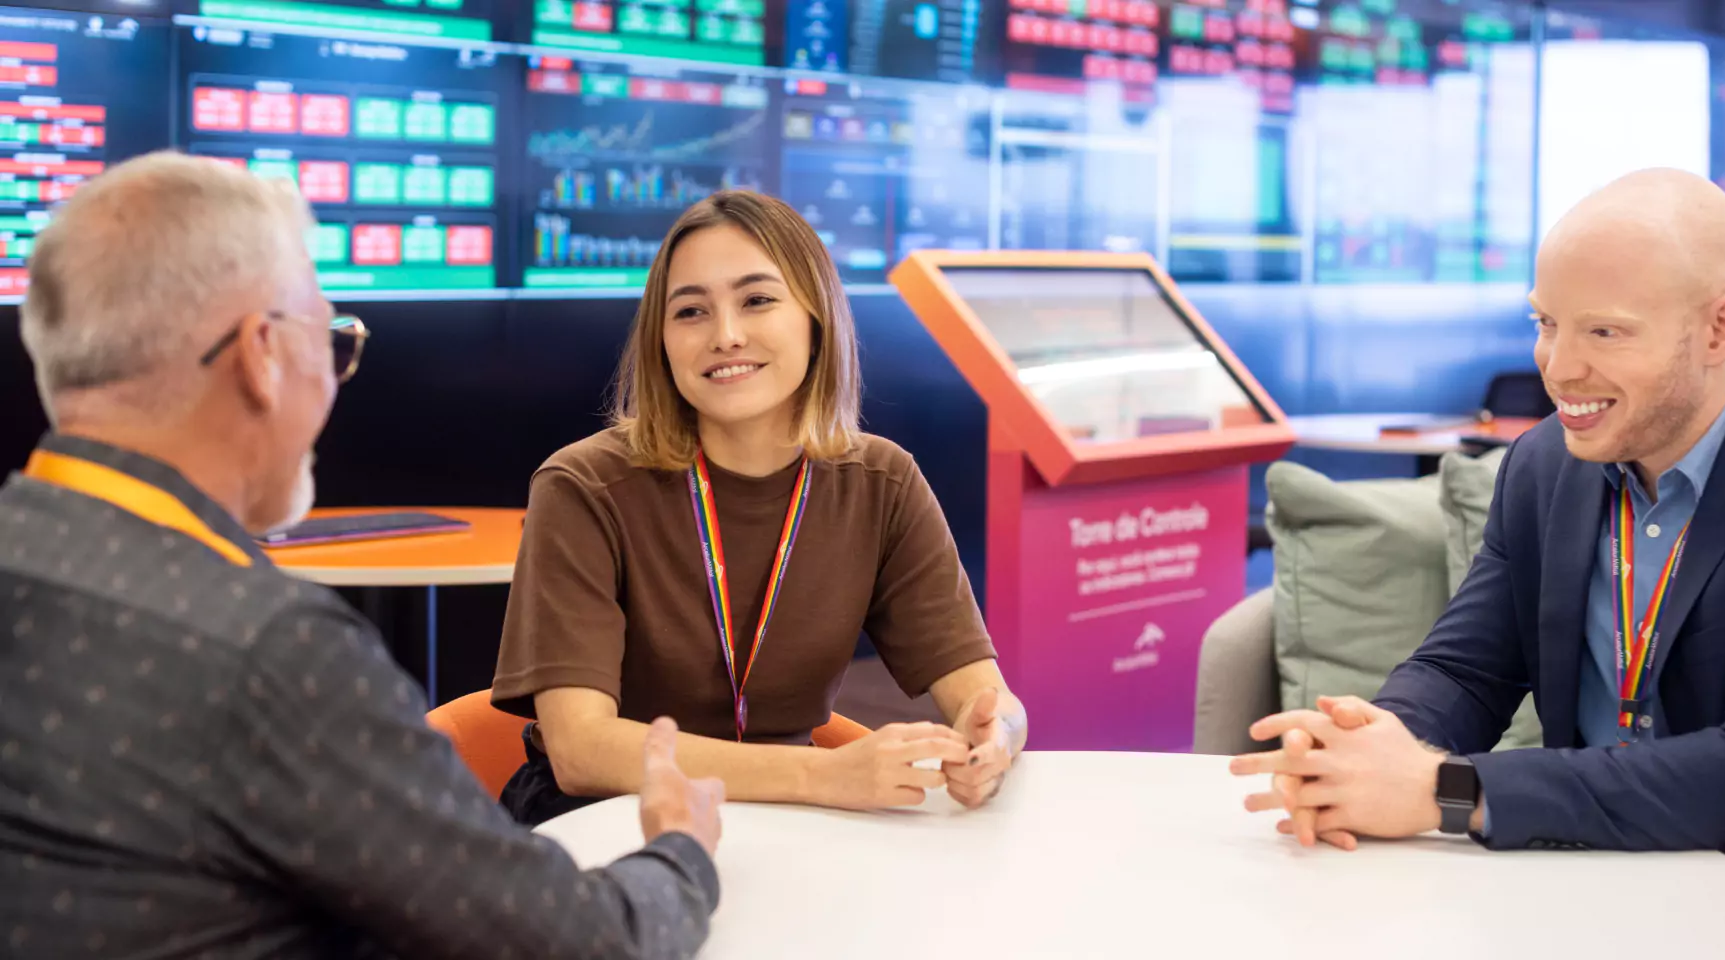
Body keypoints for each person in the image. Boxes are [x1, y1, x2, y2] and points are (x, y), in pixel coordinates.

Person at [0, 151, 725, 959]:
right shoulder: (273, 651)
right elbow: (580, 944)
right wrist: (680, 849)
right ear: (261, 356)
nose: (336, 375)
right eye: (333, 340)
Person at [1231, 168, 1725, 959]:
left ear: (1722, 328)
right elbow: (1467, 671)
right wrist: (1368, 748)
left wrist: (1443, 791)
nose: (1557, 367)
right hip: (1579, 874)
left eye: (1605, 333)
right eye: (1546, 322)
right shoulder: (1543, 465)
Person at [493, 190, 1027, 825]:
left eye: (757, 300)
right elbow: (581, 749)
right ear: (661, 341)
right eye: (690, 311)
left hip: (789, 815)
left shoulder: (881, 480)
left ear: (815, 318)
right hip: (605, 818)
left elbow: (987, 694)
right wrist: (824, 773)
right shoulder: (584, 486)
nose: (725, 335)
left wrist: (992, 737)